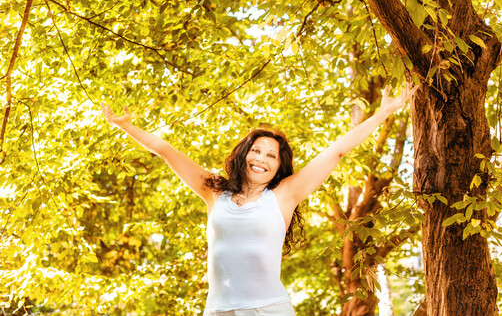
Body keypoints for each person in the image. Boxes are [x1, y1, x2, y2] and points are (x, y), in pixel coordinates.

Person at [100, 82, 417, 316]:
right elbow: (167, 151)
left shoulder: (284, 195)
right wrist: (128, 127)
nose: (261, 159)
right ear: (243, 154)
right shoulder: (215, 192)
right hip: (218, 311)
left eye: (271, 155)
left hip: (268, 310)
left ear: (279, 166)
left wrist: (383, 113)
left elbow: (337, 150)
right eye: (256, 150)